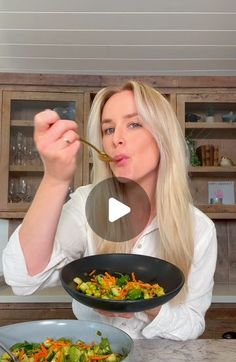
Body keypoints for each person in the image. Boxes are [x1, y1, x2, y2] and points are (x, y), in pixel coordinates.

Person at [2, 81, 217, 340]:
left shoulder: (200, 228)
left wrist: (147, 304)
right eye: (108, 129)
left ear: (163, 137)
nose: (116, 139)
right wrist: (55, 179)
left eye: (134, 124)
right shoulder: (87, 204)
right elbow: (22, 279)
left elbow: (192, 324)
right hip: (97, 357)